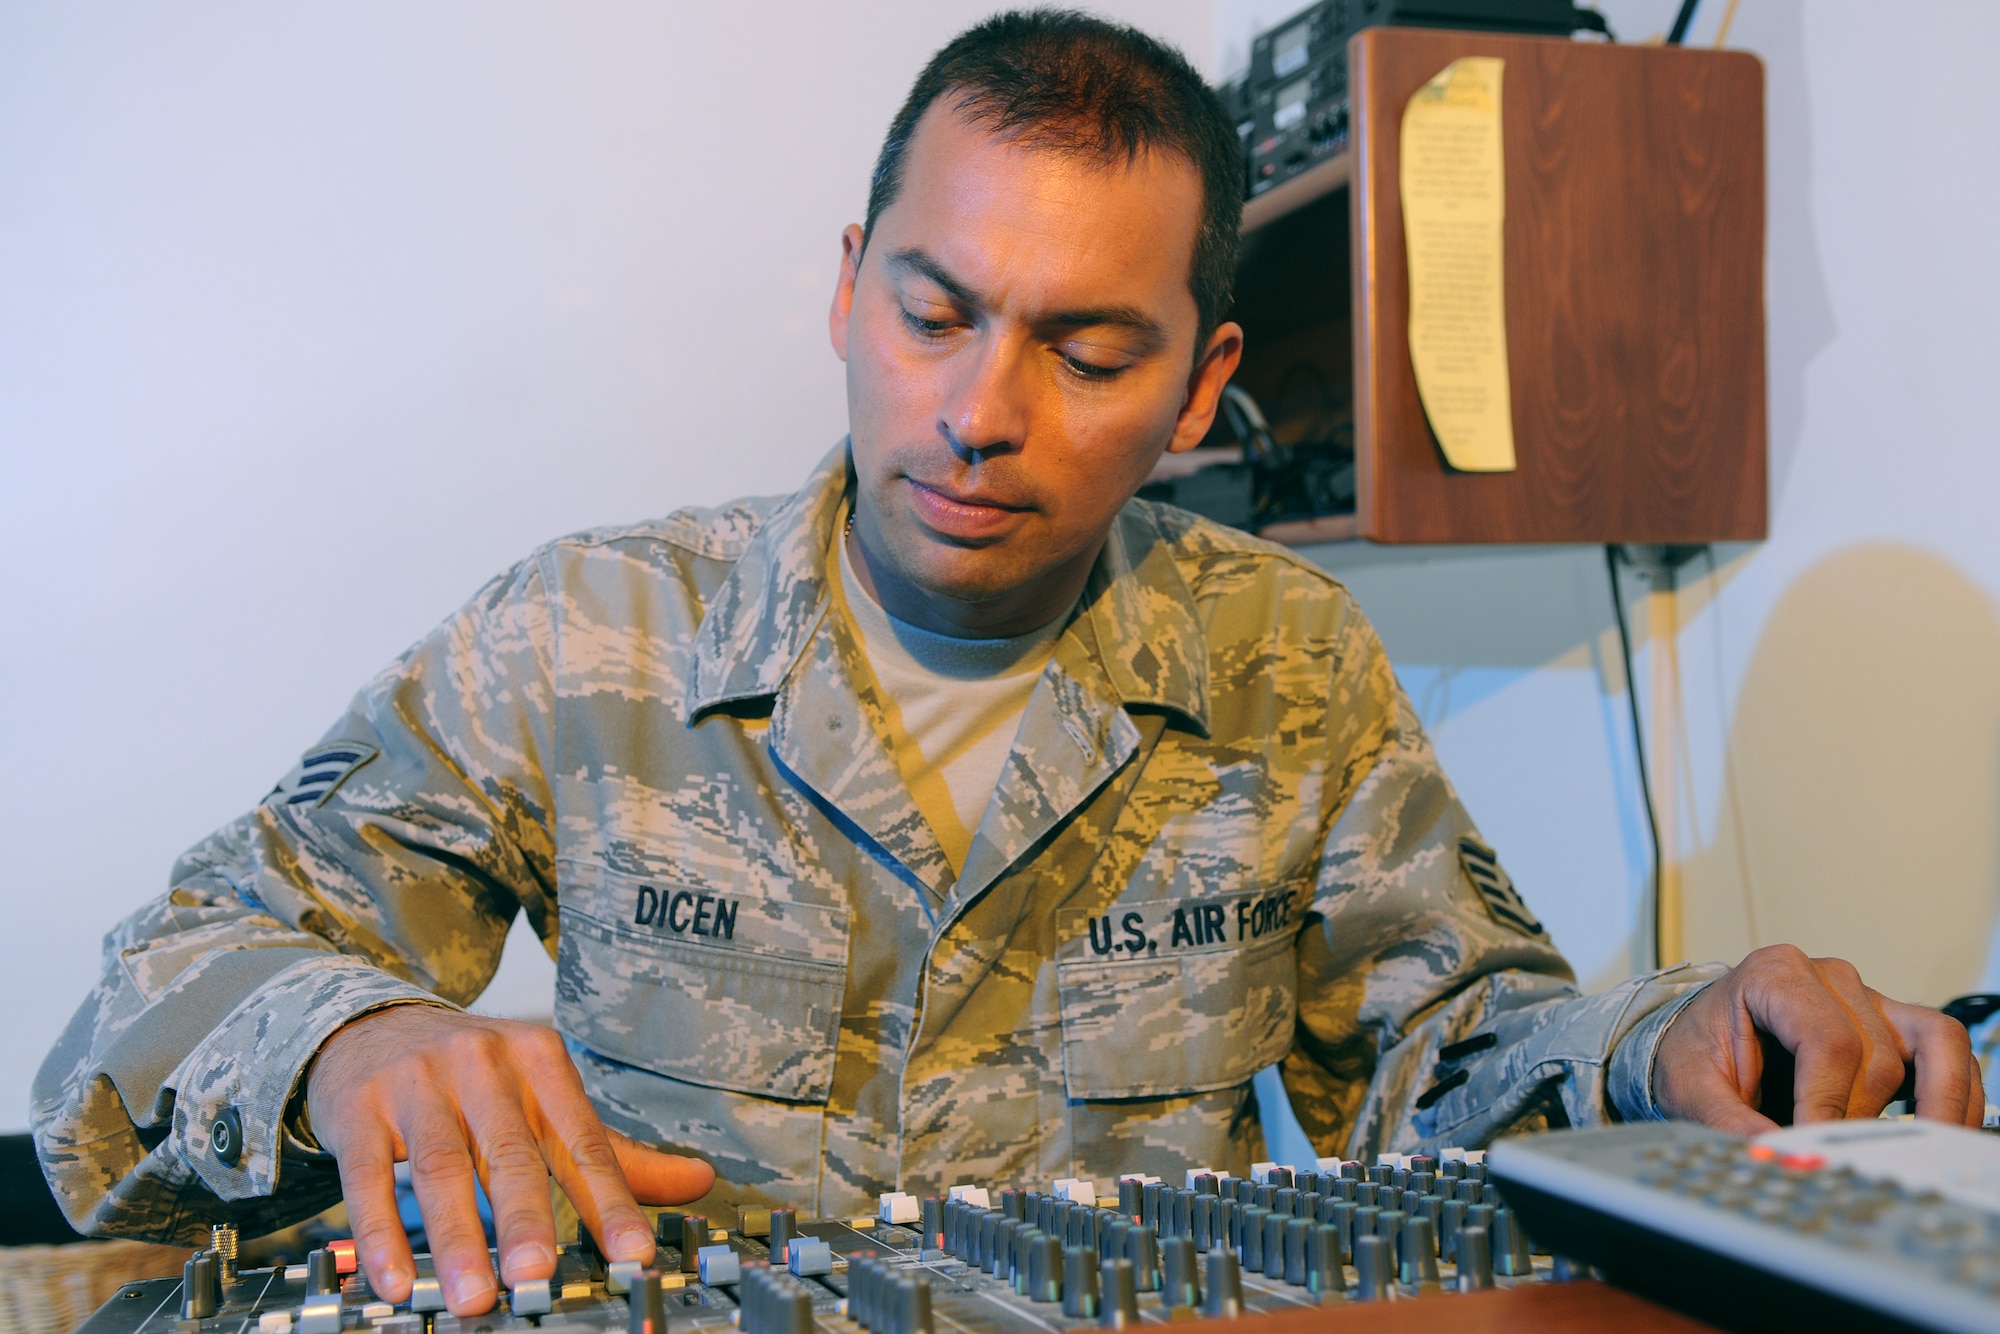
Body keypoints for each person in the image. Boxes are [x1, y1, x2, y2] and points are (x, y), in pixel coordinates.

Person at [33, 9, 1980, 1320]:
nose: (978, 410)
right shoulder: (591, 623)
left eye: (1087, 345)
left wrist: (1662, 1039)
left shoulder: (1279, 654)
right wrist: (360, 1039)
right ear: (846, 283)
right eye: (934, 309)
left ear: (1203, 383)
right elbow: (158, 986)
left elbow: (1449, 1047)